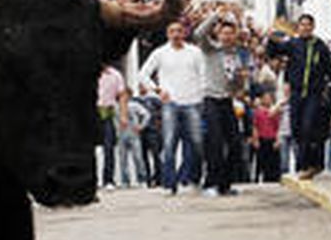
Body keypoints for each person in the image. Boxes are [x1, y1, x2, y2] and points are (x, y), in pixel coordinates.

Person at [264, 13, 331, 179]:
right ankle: (310, 165)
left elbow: (330, 69)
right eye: (302, 25)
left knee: (308, 128)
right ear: (298, 27)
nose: (305, 28)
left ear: (313, 27)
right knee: (297, 130)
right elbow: (273, 52)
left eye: (308, 25)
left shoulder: (320, 46)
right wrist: (271, 38)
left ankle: (309, 165)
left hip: (314, 94)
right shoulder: (293, 44)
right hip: (296, 95)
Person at [136, 21, 206, 195]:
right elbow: (142, 74)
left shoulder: (195, 52)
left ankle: (193, 179)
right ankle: (169, 184)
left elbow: (204, 75)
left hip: (193, 102)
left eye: (179, 31)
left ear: (184, 33)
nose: (176, 34)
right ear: (168, 34)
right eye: (172, 31)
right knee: (169, 144)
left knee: (197, 144)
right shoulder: (160, 53)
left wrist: (202, 94)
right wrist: (157, 90)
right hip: (171, 103)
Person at [194, 11, 245, 197]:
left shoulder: (235, 55)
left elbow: (237, 85)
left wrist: (240, 82)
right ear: (218, 34)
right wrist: (215, 16)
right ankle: (210, 184)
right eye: (224, 32)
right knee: (214, 143)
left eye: (231, 33)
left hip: (227, 101)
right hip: (210, 100)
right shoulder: (211, 49)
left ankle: (225, 184)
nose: (227, 36)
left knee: (235, 144)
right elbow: (199, 34)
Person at [96, 62, 127, 190]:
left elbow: (122, 96)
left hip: (107, 113)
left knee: (109, 147)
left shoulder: (116, 75)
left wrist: (124, 115)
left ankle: (108, 180)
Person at [250, 90, 282, 183]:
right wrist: (255, 139)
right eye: (265, 98)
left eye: (269, 98)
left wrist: (277, 140)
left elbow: (278, 126)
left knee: (272, 161)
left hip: (272, 138)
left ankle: (272, 178)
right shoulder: (258, 112)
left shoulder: (275, 111)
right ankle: (257, 178)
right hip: (262, 138)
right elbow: (255, 126)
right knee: (260, 161)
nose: (267, 100)